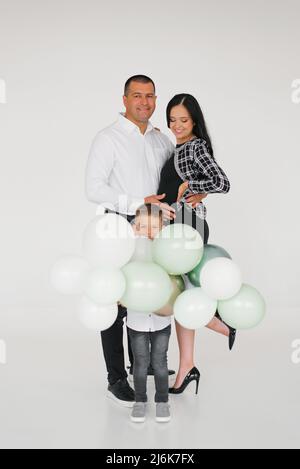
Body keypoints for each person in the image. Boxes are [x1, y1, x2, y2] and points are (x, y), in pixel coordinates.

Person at [85, 75, 180, 406]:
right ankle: (116, 378)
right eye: (137, 95)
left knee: (147, 294)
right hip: (118, 226)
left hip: (153, 227)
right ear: (124, 99)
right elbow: (94, 188)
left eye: (151, 96)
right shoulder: (108, 138)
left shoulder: (160, 139)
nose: (145, 102)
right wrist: (138, 202)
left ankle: (144, 364)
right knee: (115, 301)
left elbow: (172, 180)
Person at [157, 93, 235, 395]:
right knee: (182, 296)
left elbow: (222, 182)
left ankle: (221, 323)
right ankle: (187, 365)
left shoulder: (195, 147)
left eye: (184, 120)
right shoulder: (176, 148)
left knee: (184, 295)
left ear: (194, 121)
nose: (177, 125)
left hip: (188, 226)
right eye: (172, 120)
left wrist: (191, 186)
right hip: (174, 227)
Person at [127, 204, 171, 423]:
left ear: (163, 227)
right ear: (135, 227)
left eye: (153, 227)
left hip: (162, 318)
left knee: (160, 361)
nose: (148, 231)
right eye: (142, 226)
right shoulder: (129, 249)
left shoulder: (168, 251)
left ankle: (162, 400)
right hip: (137, 319)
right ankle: (140, 400)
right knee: (140, 362)